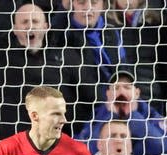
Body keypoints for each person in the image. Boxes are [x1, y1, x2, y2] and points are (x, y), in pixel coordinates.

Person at [0, 2, 77, 148]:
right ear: (14, 29)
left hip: (57, 144)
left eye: (35, 21)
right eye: (25, 22)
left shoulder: (66, 58)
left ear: (46, 27)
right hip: (15, 147)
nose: (30, 26)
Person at [49, 0, 125, 134]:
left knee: (163, 137)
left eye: (94, 3)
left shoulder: (111, 31)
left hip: (120, 101)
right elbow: (51, 34)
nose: (88, 8)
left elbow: (124, 68)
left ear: (103, 5)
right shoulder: (63, 34)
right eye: (82, 3)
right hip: (89, 113)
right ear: (72, 5)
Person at [75, 69, 167, 155]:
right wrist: (109, 116)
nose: (121, 91)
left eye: (127, 87)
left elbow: (163, 146)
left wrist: (134, 116)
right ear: (108, 94)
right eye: (116, 88)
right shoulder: (97, 115)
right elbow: (86, 150)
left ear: (136, 93)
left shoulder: (150, 113)